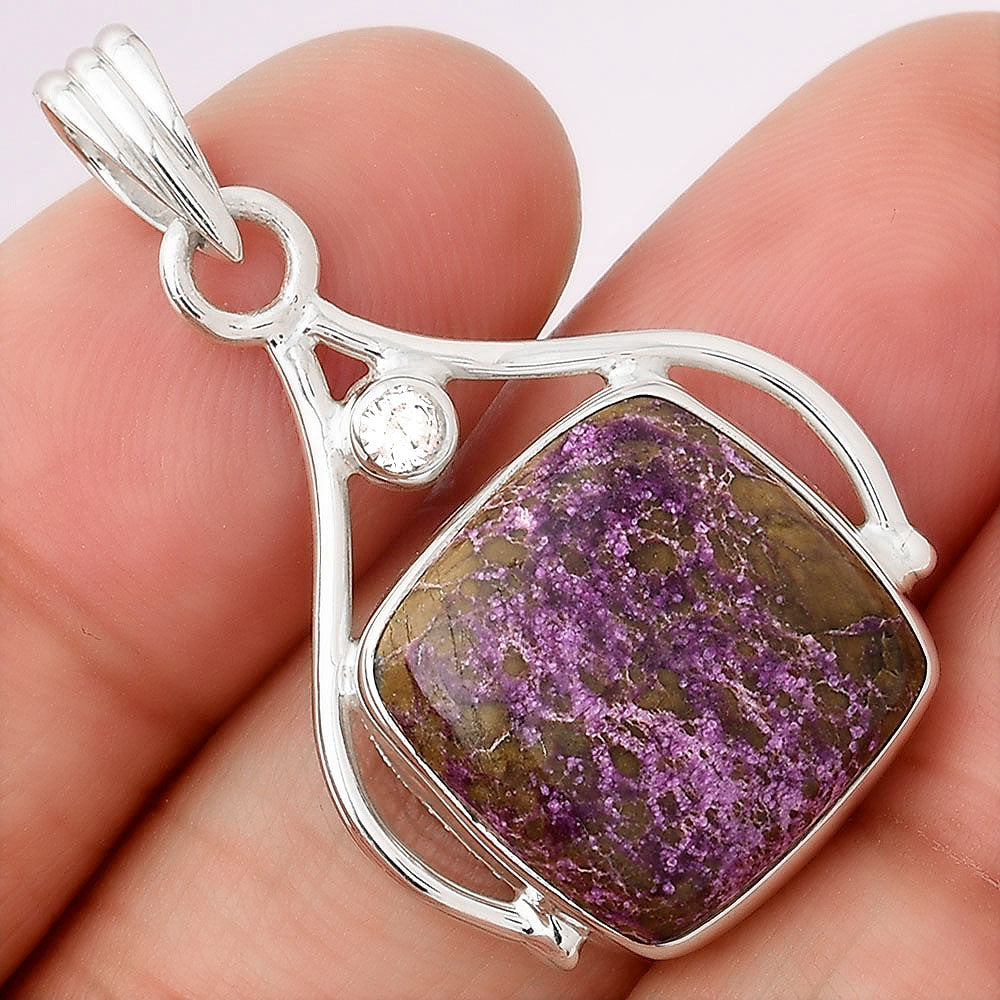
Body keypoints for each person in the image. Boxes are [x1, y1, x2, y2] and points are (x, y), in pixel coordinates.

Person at [2, 14, 997, 998]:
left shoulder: (631, 429)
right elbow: (359, 779)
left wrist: (531, 920)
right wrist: (522, 916)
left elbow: (693, 365)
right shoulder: (608, 424)